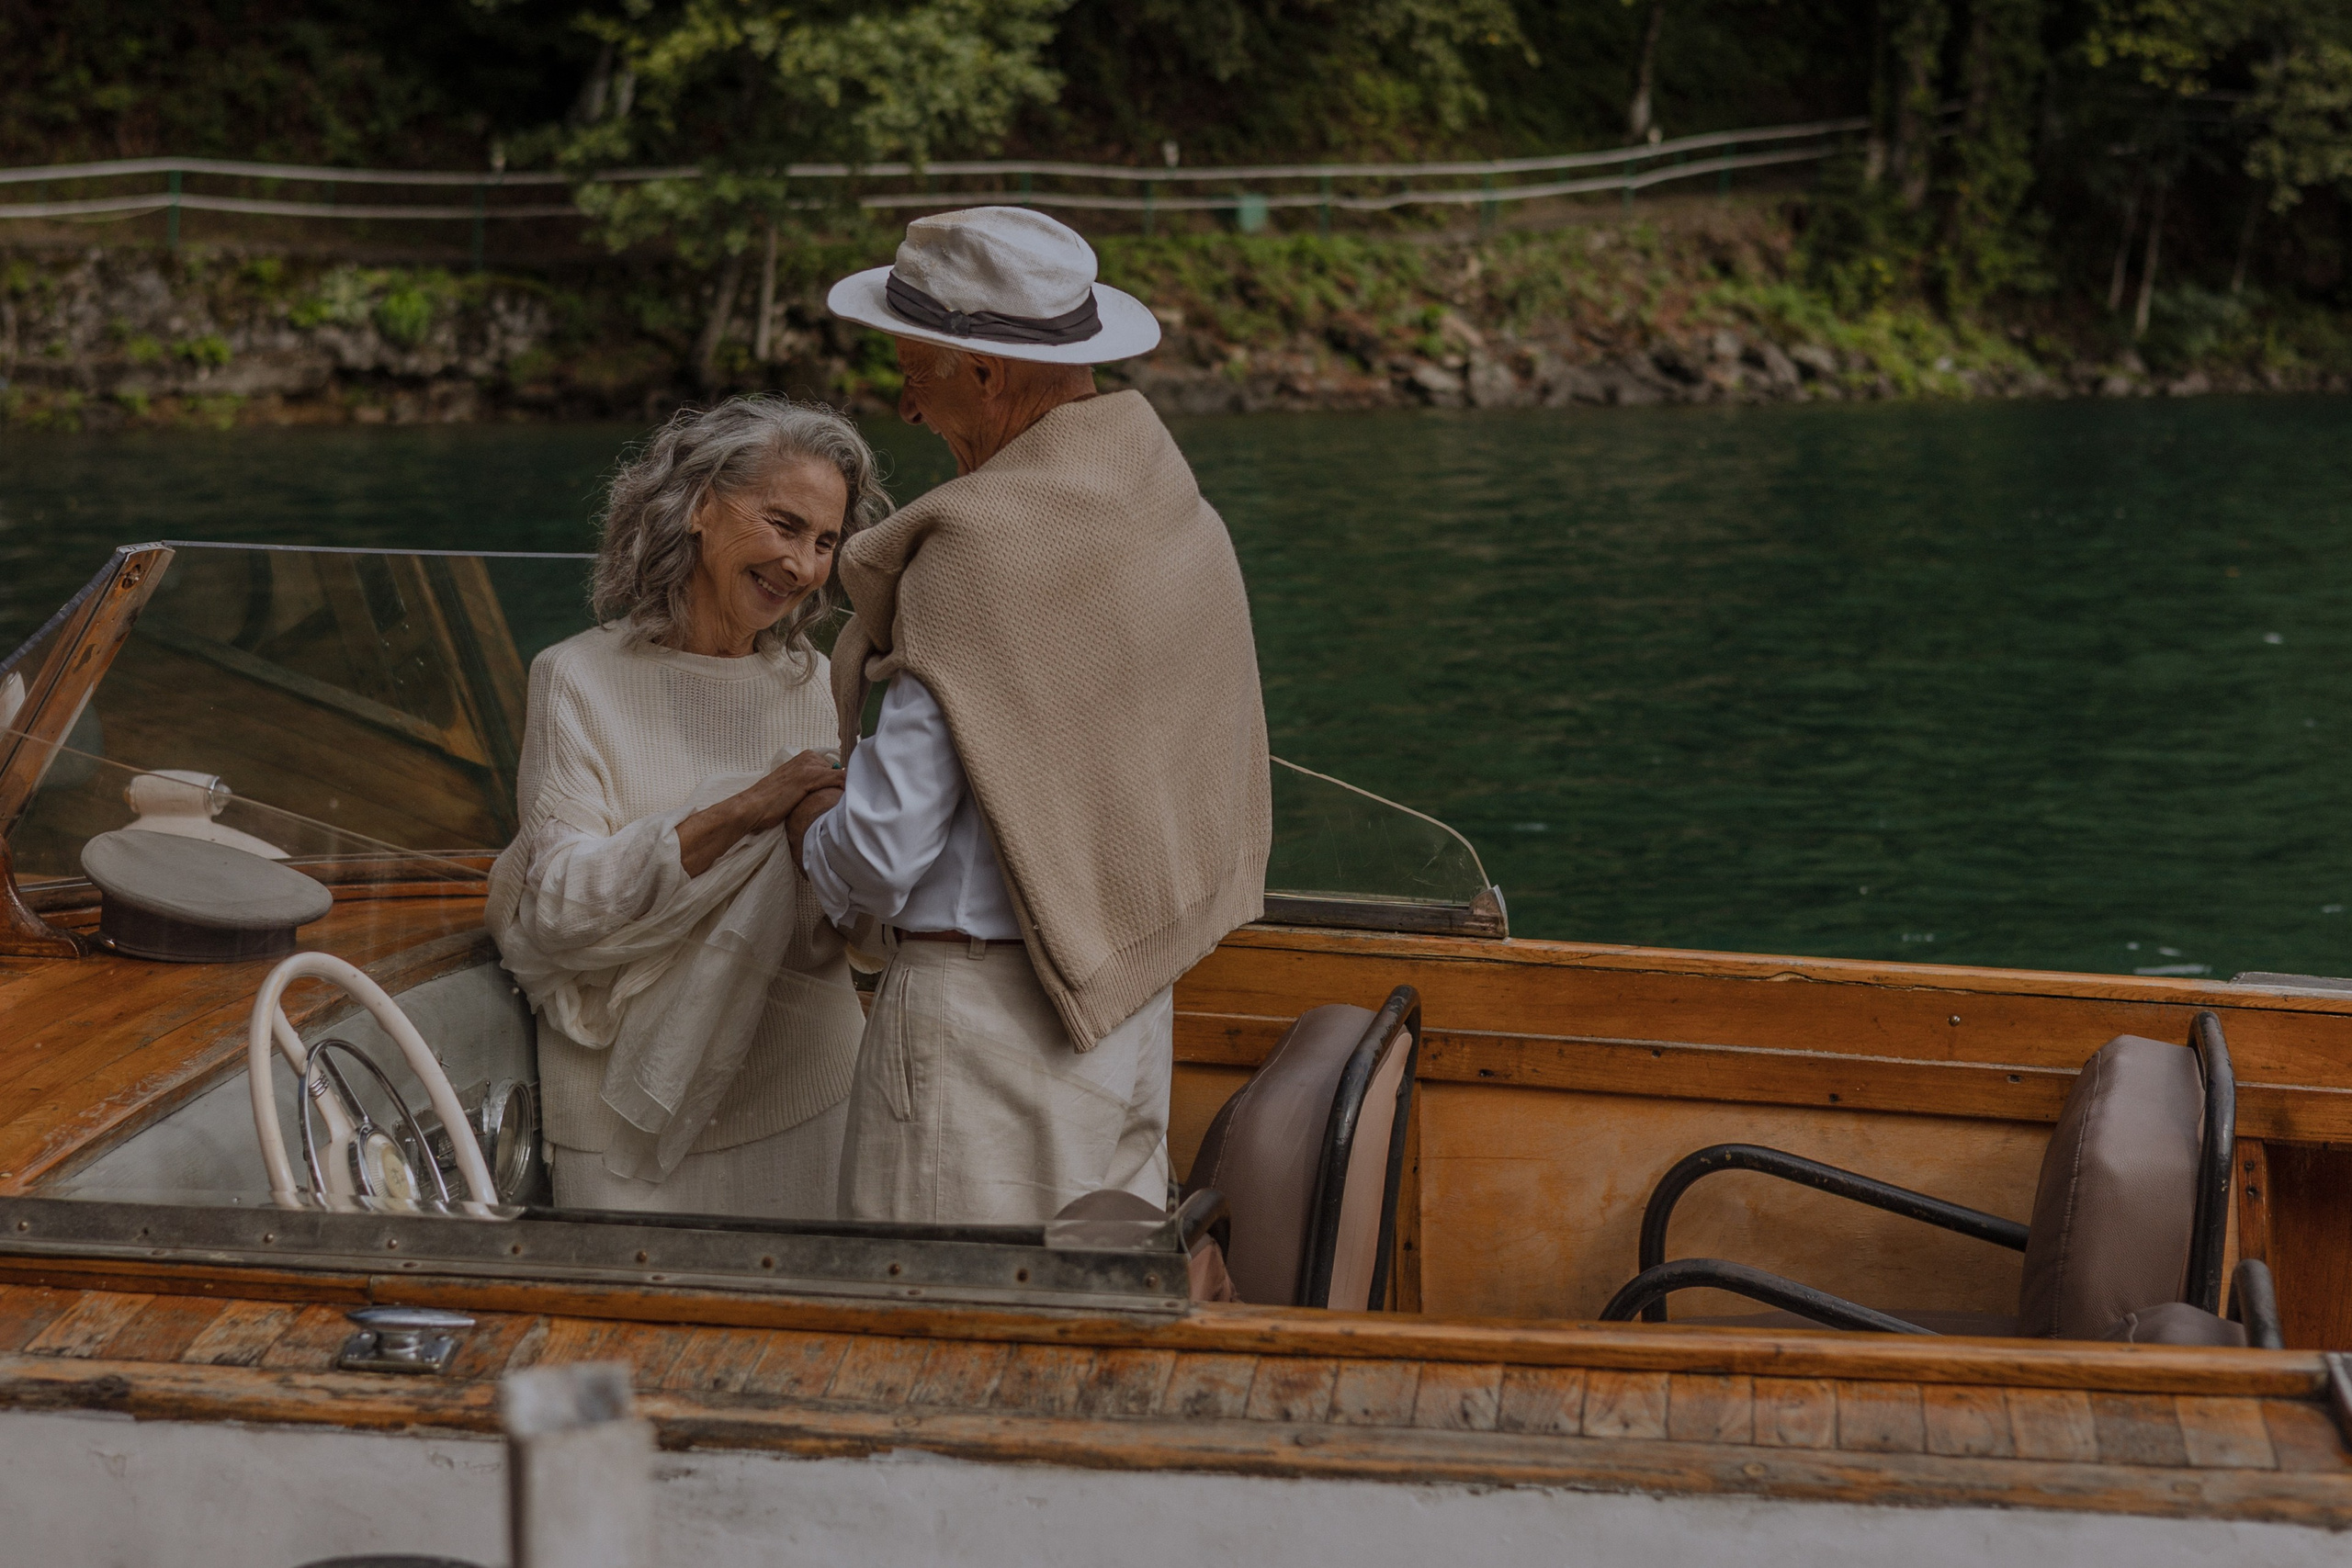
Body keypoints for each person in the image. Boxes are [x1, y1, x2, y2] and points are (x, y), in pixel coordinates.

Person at [788, 206, 1272, 1225]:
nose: (902, 404)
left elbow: (881, 853)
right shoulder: (1169, 507)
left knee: (934, 1348)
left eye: (913, 366)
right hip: (1128, 1007)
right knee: (1082, 1337)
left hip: (980, 1043)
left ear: (982, 372)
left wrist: (807, 831)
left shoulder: (977, 553)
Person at [489, 396, 886, 1218]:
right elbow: (561, 904)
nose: (803, 567)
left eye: (824, 542)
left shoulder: (811, 681)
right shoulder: (574, 678)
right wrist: (750, 807)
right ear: (701, 507)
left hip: (804, 1084)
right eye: (783, 524)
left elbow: (822, 901)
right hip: (614, 1114)